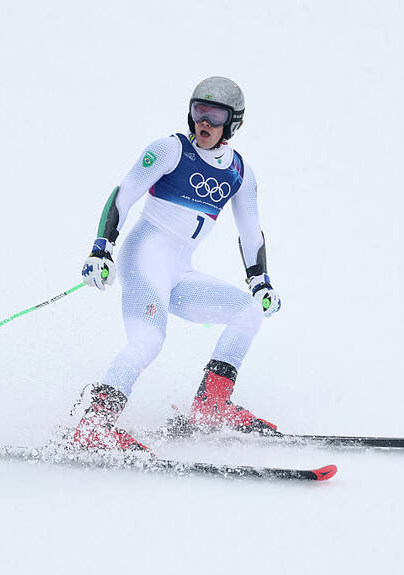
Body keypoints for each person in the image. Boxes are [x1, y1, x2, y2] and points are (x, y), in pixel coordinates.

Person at [73, 76, 282, 452]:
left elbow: (251, 232)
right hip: (145, 258)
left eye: (215, 116)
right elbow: (124, 194)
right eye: (199, 111)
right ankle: (94, 425)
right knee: (148, 340)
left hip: (179, 271)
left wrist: (260, 280)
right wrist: (101, 248)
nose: (205, 122)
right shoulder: (170, 150)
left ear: (232, 123)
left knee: (247, 312)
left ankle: (211, 405)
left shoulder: (240, 173)